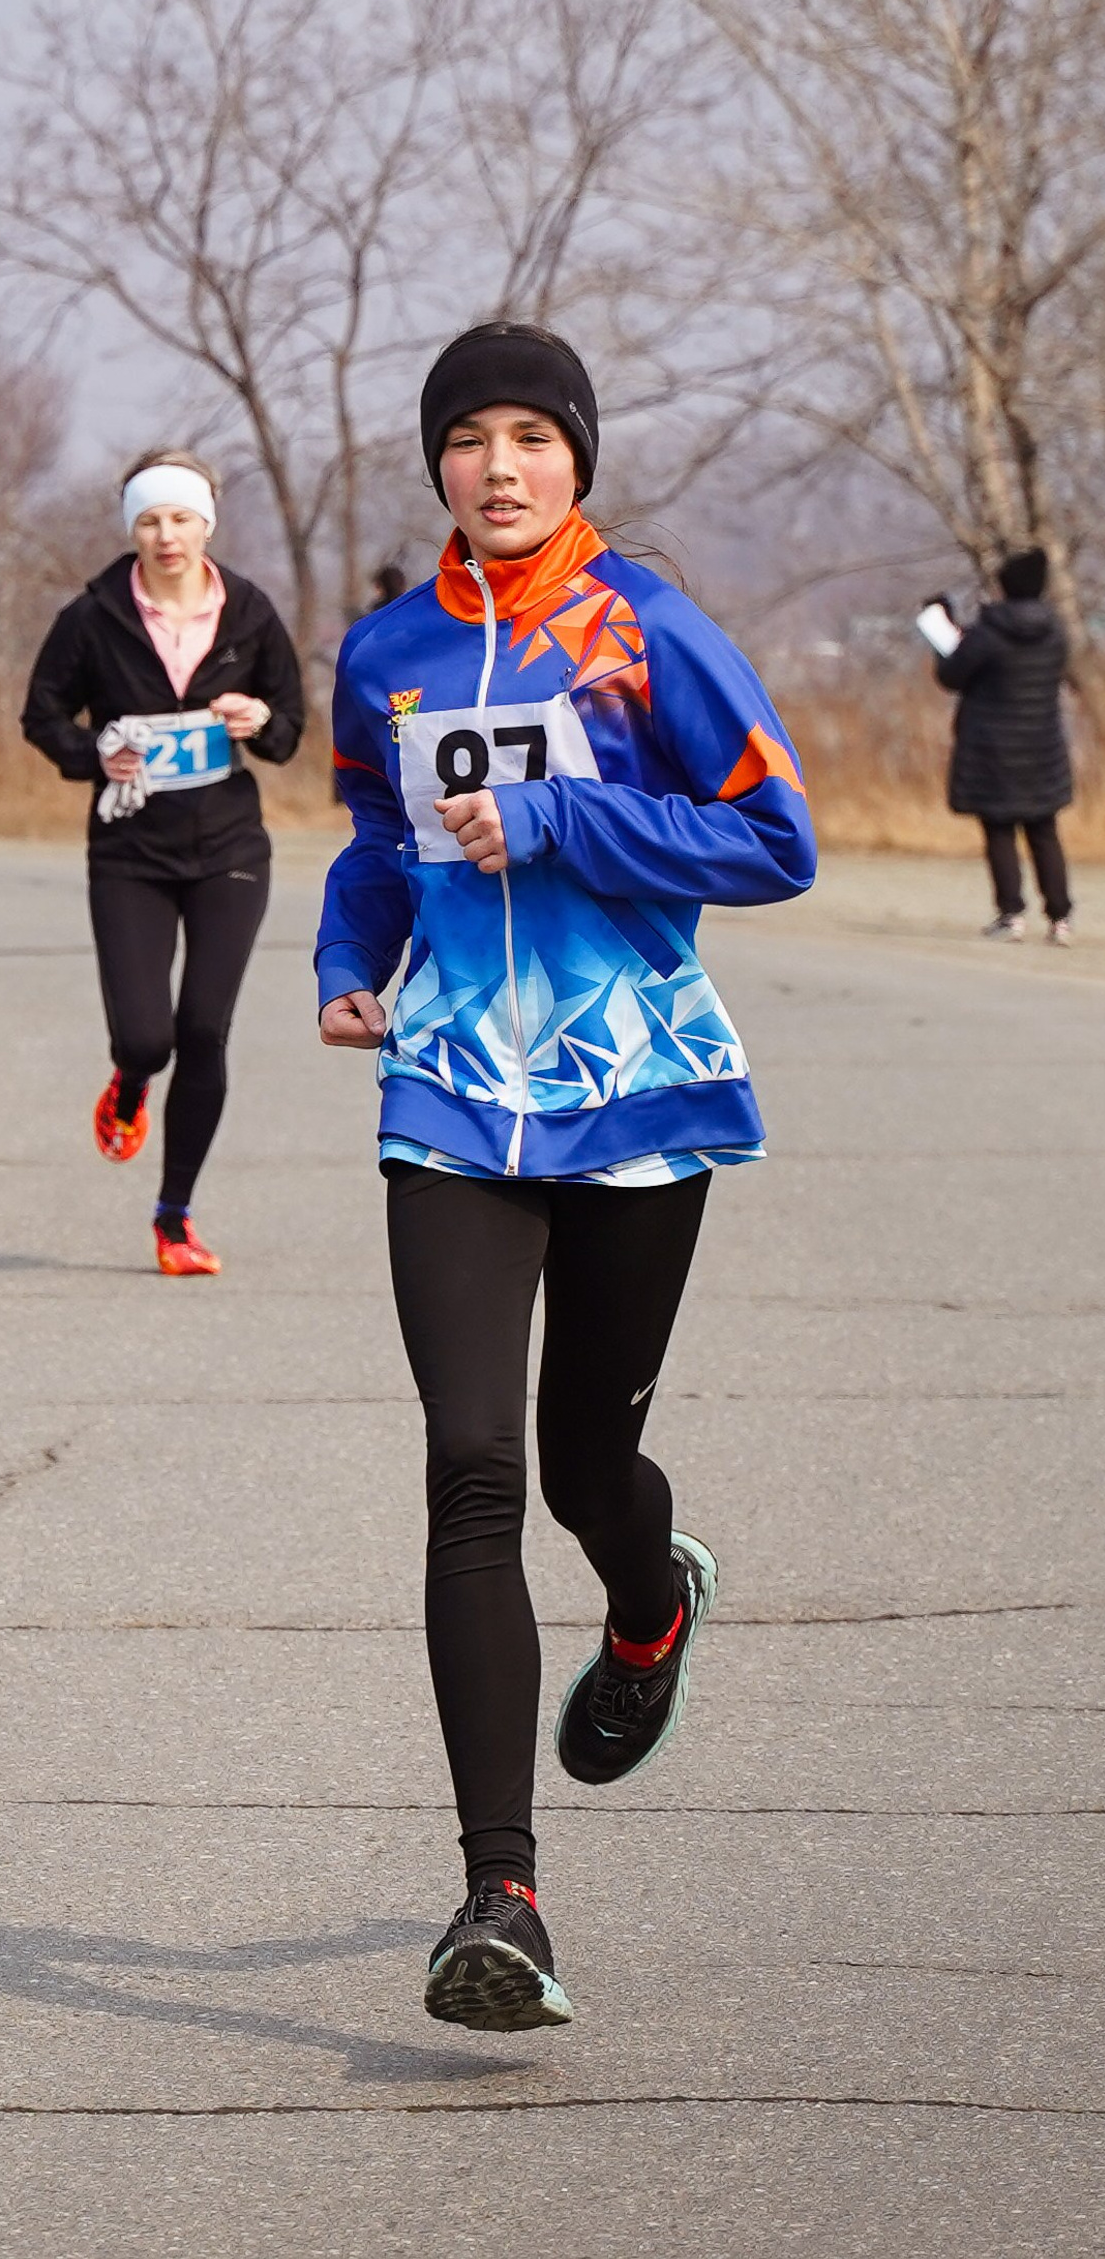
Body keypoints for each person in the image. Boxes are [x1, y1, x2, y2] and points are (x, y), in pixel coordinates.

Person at [316, 323, 816, 2032]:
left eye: (532, 433)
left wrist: (566, 826)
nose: (501, 463)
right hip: (450, 1088)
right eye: (471, 437)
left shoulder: (649, 632)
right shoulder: (386, 650)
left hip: (630, 1096)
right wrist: (348, 951)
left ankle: (650, 1602)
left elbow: (777, 840)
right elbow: (376, 843)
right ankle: (499, 1899)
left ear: (577, 459)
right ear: (441, 466)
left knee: (582, 1458)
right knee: (471, 1467)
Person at [21, 449, 304, 1275]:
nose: (166, 535)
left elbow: (291, 724)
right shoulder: (94, 615)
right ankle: (129, 1078)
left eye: (181, 518)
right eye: (149, 520)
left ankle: (174, 1218)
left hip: (228, 846)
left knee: (205, 1029)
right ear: (131, 530)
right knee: (148, 1038)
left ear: (206, 524)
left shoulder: (249, 612)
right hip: (130, 848)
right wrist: (92, 751)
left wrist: (259, 718)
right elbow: (41, 715)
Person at [934, 548, 1074, 944]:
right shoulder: (1055, 632)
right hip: (1043, 746)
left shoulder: (988, 633)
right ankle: (1060, 918)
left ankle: (1011, 915)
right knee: (1044, 830)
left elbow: (952, 674)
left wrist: (945, 635)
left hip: (991, 749)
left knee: (999, 830)